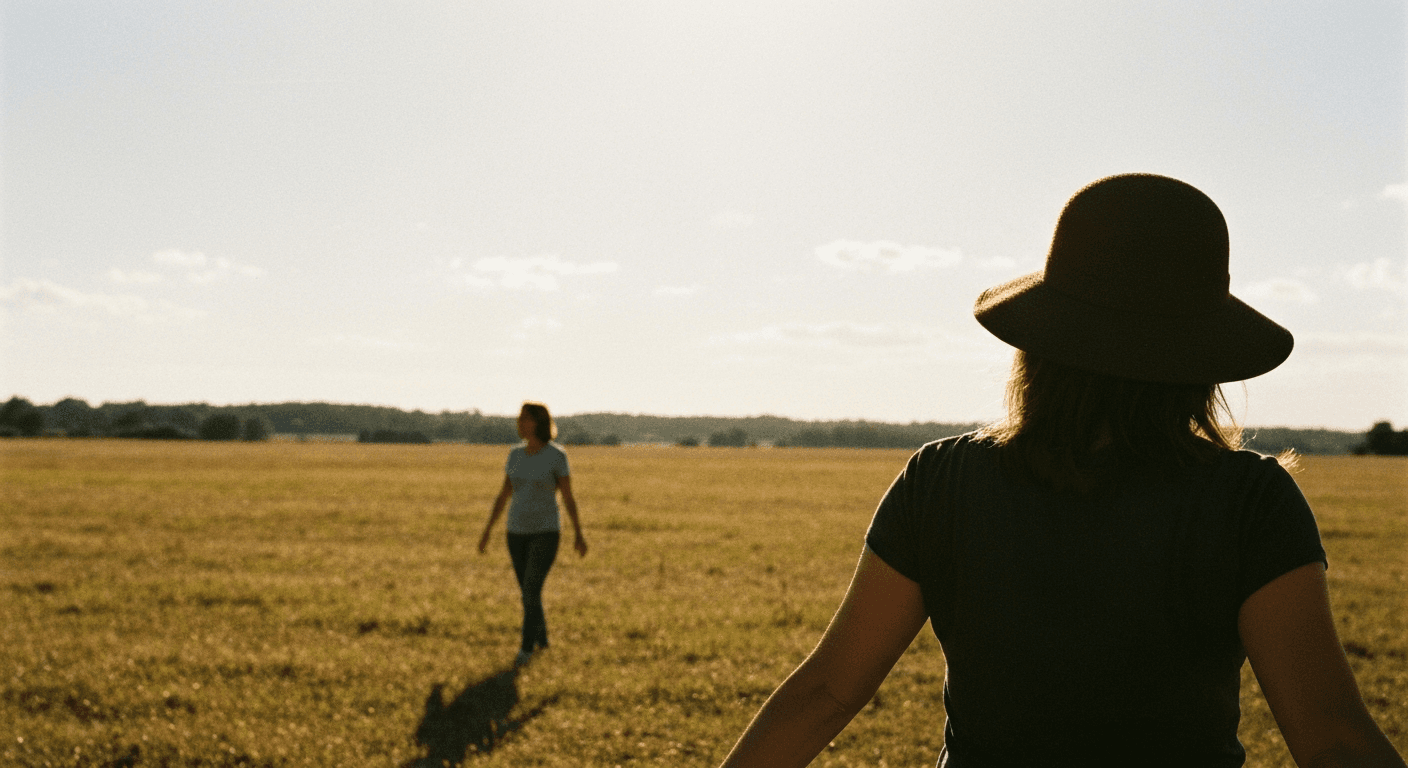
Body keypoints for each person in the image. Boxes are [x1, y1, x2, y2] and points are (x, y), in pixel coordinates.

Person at [719, 174, 1406, 768]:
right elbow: (1333, 742)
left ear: (1042, 339)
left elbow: (828, 690)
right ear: (1200, 355)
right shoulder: (1250, 502)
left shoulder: (946, 481)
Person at [478, 402, 588, 667]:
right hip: (515, 532)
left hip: (546, 531)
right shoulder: (514, 455)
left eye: (524, 419)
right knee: (529, 593)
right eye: (519, 418)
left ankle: (526, 649)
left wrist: (579, 534)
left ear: (538, 422)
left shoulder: (556, 456)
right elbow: (504, 494)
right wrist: (487, 531)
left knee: (530, 590)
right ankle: (543, 640)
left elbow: (569, 498)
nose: (519, 423)